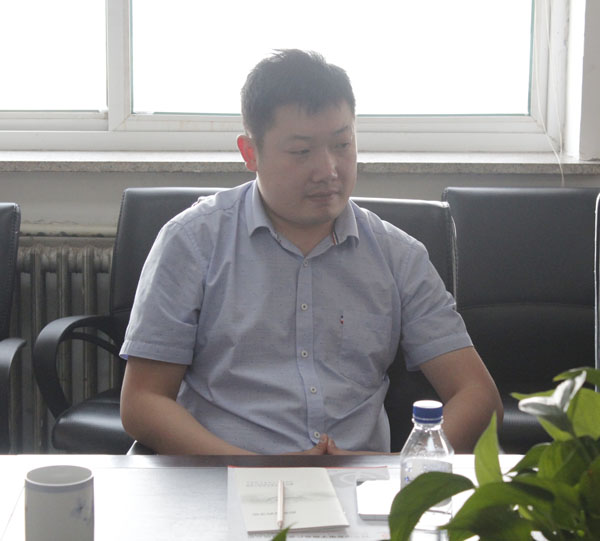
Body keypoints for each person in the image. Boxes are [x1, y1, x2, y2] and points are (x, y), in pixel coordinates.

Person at [120, 49, 502, 455]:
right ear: (250, 153)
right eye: (302, 152)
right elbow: (143, 401)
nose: (328, 170)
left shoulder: (398, 255)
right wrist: (253, 469)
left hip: (359, 480)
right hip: (223, 476)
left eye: (342, 144)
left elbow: (477, 395)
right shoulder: (192, 242)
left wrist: (401, 469)